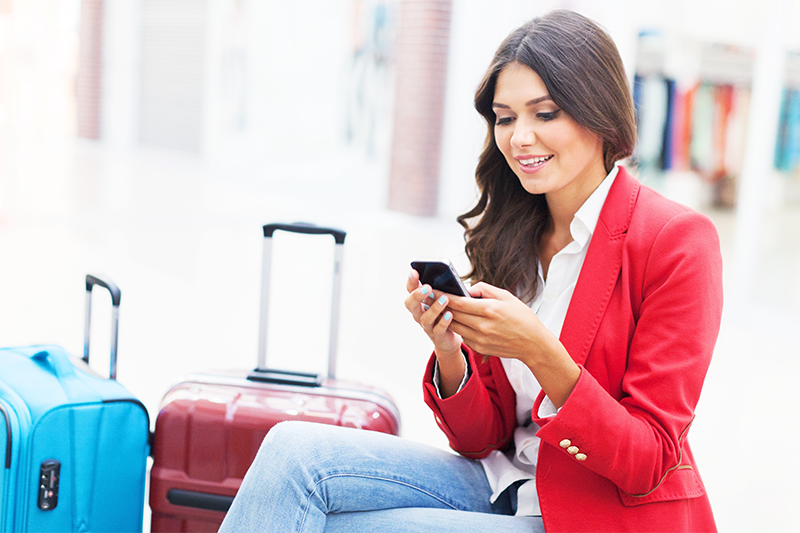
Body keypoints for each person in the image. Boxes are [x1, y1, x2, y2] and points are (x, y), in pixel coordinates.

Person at [218, 9, 722, 533]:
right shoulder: (512, 234)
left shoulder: (677, 241)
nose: (520, 137)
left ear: (600, 112)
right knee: (292, 451)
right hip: (500, 483)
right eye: (505, 118)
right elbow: (481, 439)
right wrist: (449, 352)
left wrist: (538, 350)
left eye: (544, 114)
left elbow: (647, 461)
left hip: (595, 513)